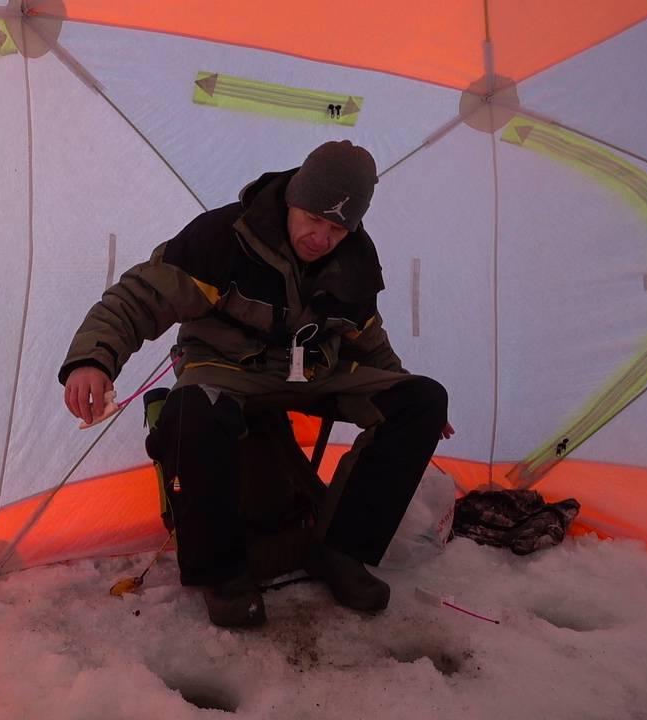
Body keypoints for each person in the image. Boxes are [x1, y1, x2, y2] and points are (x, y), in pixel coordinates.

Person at [59, 140, 452, 627]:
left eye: (336, 229)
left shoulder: (355, 260)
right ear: (293, 198)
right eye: (313, 218)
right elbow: (138, 298)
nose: (321, 237)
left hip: (313, 373)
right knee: (190, 414)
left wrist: (404, 388)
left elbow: (367, 339)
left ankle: (342, 550)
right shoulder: (225, 237)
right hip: (226, 367)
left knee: (422, 399)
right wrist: (92, 361)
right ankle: (222, 576)